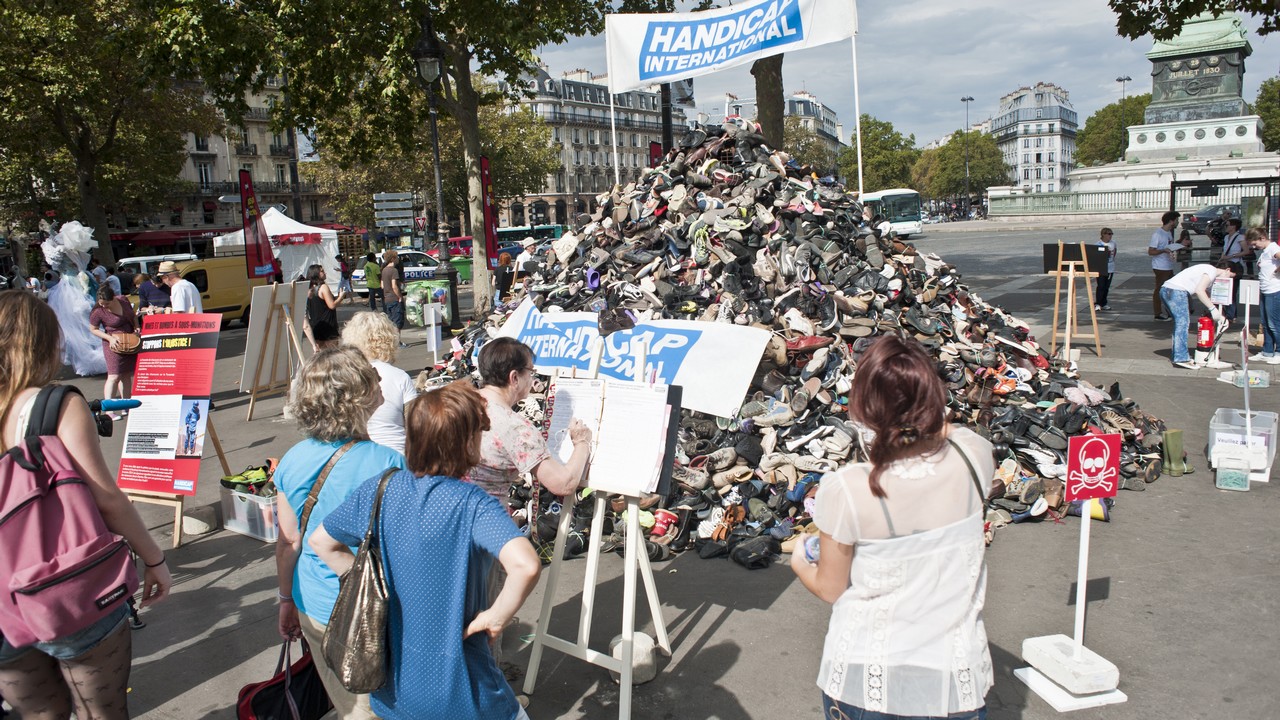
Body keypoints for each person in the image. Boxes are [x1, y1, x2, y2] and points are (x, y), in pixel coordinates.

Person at [791, 334, 994, 720]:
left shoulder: (849, 489)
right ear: (934, 398)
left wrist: (801, 561)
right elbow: (948, 433)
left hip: (868, 683)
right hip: (954, 681)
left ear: (864, 410)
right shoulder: (974, 455)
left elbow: (831, 588)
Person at [309, 382, 540, 720]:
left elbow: (320, 542)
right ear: (466, 443)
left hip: (393, 690)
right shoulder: (473, 504)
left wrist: (367, 582)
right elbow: (527, 565)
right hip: (466, 691)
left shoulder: (381, 487)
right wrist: (497, 617)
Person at [0, 290, 171, 720]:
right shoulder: (54, 404)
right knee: (103, 712)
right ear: (42, 343)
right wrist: (154, 559)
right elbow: (106, 498)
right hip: (64, 584)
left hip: (3, 600)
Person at [273, 346, 404, 720]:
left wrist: (286, 599)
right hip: (369, 610)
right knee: (371, 707)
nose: (380, 381)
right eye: (371, 376)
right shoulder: (388, 463)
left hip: (312, 600)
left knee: (346, 698)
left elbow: (288, 542)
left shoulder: (294, 458)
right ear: (356, 396)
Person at [341, 311, 418, 454]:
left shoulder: (346, 376)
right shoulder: (399, 377)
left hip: (357, 454)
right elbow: (414, 426)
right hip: (397, 455)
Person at [1160, 263, 1235, 369]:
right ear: (1227, 270)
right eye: (1230, 276)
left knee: (1180, 323)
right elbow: (1200, 291)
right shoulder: (1211, 271)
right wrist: (1213, 310)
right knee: (1182, 323)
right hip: (1176, 291)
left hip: (1168, 289)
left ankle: (1179, 355)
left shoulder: (1208, 273)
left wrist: (1220, 315)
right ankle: (1180, 357)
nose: (1227, 281)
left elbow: (1207, 296)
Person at [88, 285, 138, 414]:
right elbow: (93, 329)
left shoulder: (123, 300)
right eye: (101, 303)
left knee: (126, 375)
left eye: (107, 303)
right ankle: (109, 409)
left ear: (114, 298)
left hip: (129, 341)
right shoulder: (98, 311)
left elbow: (133, 316)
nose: (104, 306)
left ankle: (126, 405)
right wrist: (109, 338)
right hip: (112, 344)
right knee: (114, 376)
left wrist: (137, 327)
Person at [1148, 210, 1188, 321]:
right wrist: (1164, 250)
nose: (1177, 222)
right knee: (1160, 289)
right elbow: (1151, 251)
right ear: (1171, 221)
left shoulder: (1168, 233)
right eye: (1176, 220)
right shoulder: (1158, 234)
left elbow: (1169, 246)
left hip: (1168, 265)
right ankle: (1158, 313)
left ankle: (1169, 312)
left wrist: (1179, 245)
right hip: (1160, 266)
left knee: (1170, 289)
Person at [1247, 228, 1280, 364]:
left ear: (1262, 238)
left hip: (1274, 290)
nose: (1255, 247)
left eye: (1255, 244)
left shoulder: (1272, 248)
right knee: (1266, 323)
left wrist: (1277, 270)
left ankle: (1278, 351)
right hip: (1266, 290)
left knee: (1274, 323)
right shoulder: (1265, 251)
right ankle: (1267, 351)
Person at [305, 263, 345, 351]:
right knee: (332, 355)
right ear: (316, 274)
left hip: (316, 325)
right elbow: (332, 305)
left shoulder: (309, 289)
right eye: (322, 271)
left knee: (321, 356)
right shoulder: (323, 287)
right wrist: (341, 297)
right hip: (328, 326)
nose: (325, 273)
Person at [1219, 218, 1252, 321]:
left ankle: (1231, 314)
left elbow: (1246, 251)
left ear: (1233, 226)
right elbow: (1225, 250)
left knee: (1232, 289)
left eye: (1227, 225)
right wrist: (1221, 259)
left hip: (1235, 264)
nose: (1226, 227)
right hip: (1226, 264)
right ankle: (1230, 313)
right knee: (1225, 288)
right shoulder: (1226, 237)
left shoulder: (1240, 237)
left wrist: (1232, 256)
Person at [380, 249, 405, 346]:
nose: (398, 259)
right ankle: (398, 342)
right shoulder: (394, 270)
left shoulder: (384, 270)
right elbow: (394, 285)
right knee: (398, 321)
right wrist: (399, 296)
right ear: (393, 258)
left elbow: (382, 285)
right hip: (394, 298)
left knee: (391, 320)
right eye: (397, 257)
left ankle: (391, 341)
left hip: (387, 298)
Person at [1094, 227, 1116, 311]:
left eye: (1111, 234)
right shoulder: (1098, 244)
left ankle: (1104, 302)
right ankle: (1098, 303)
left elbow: (1115, 253)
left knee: (1107, 286)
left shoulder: (1113, 243)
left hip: (1110, 267)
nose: (1110, 236)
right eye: (1109, 234)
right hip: (1101, 268)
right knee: (1101, 286)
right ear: (1103, 234)